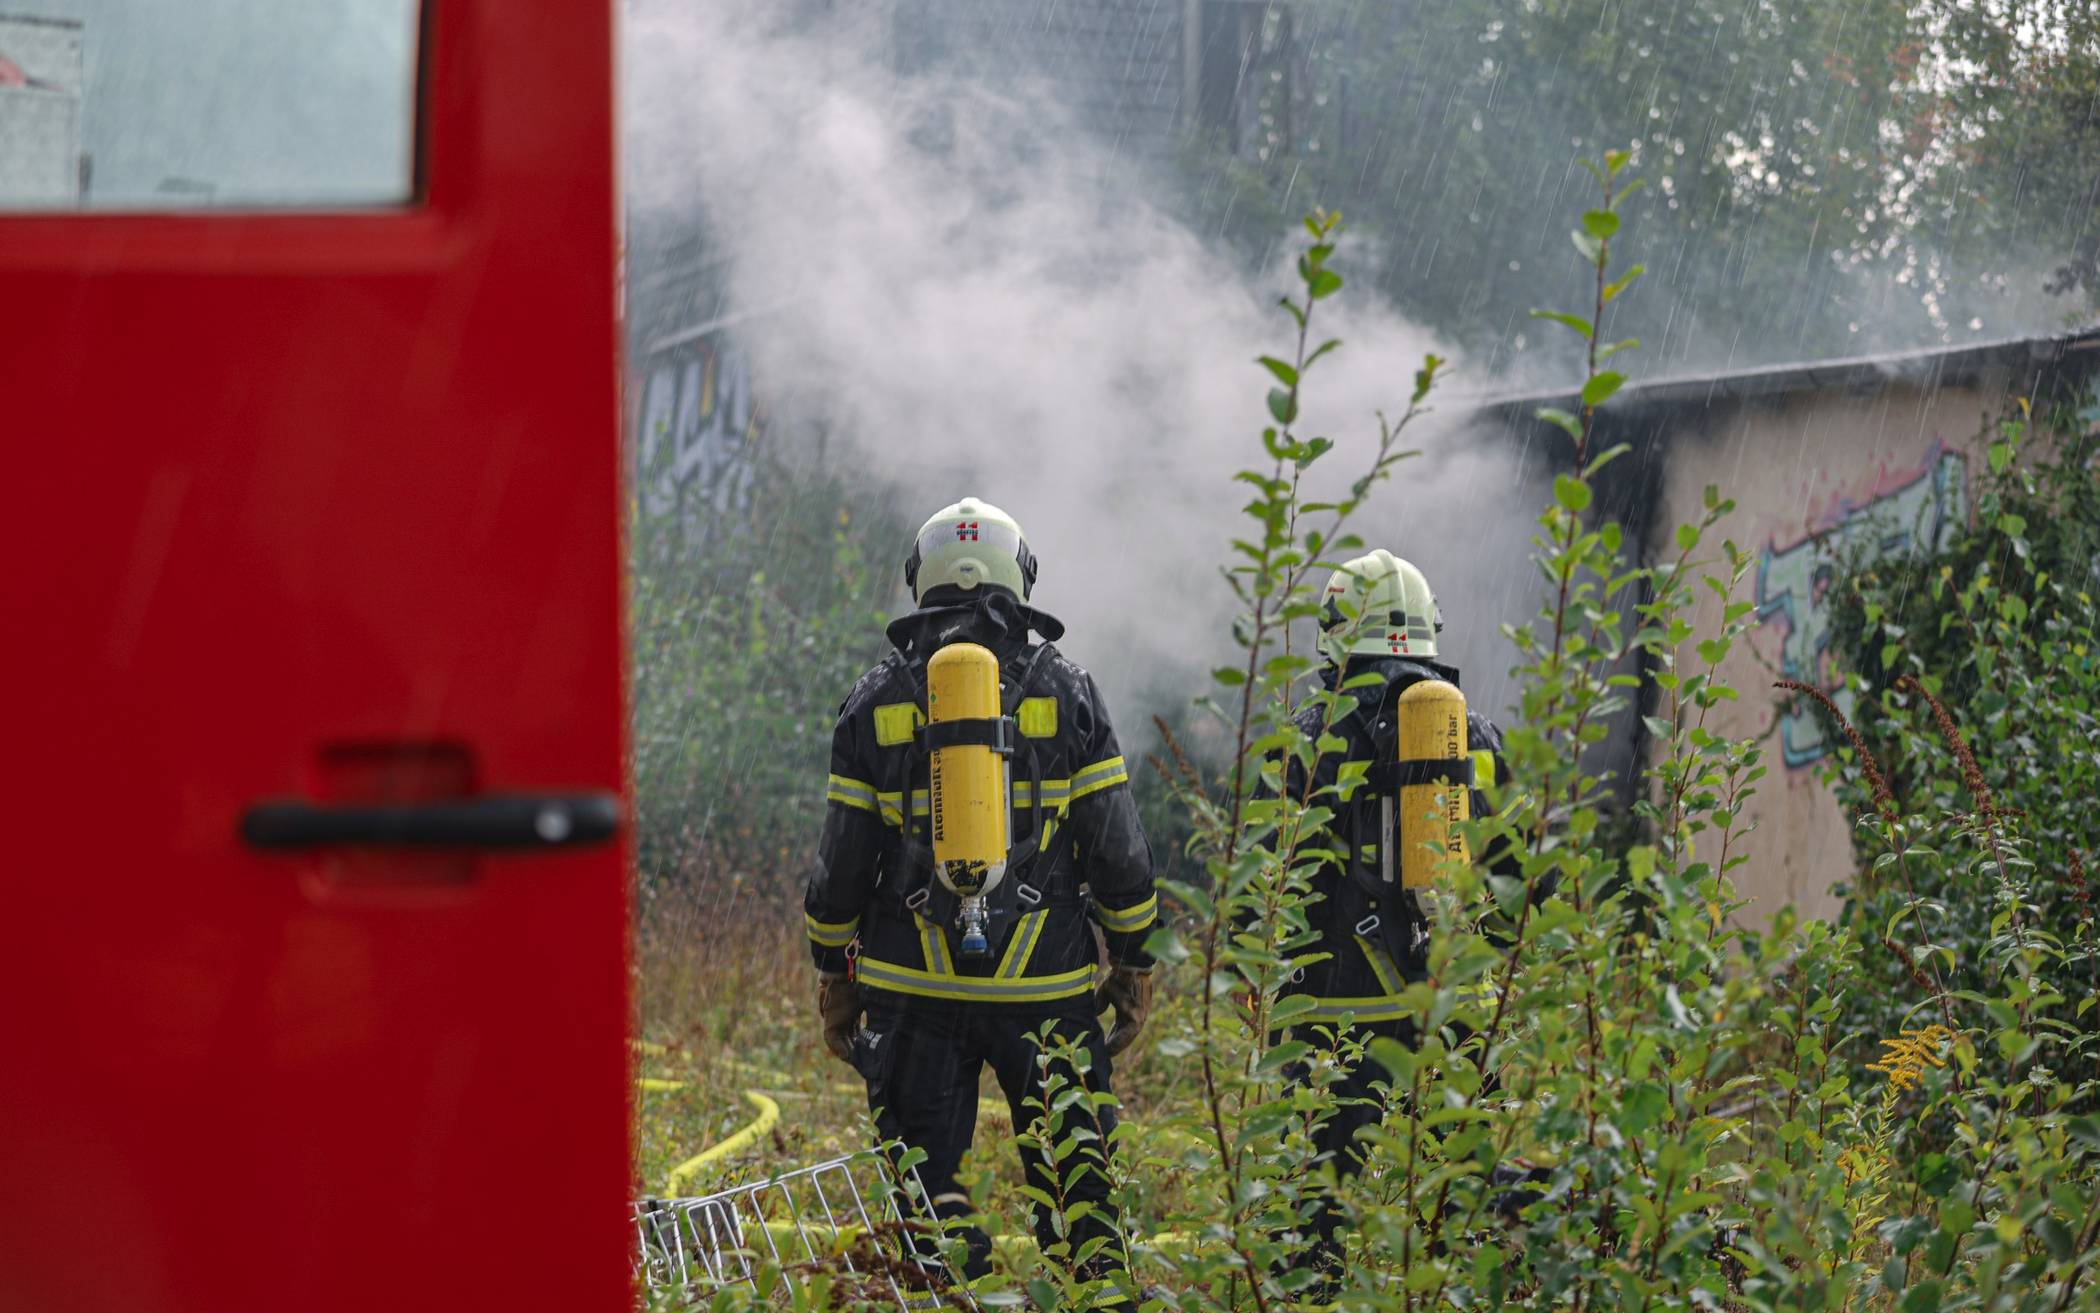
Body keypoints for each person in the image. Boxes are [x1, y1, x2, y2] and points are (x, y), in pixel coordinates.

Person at [803, 496, 1157, 1290]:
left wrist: (834, 969)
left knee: (927, 1211)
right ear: (1020, 578)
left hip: (911, 992)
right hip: (1049, 989)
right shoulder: (1067, 690)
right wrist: (1132, 963)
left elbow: (841, 866)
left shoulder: (876, 699)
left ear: (920, 581)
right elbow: (1119, 853)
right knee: (1081, 1204)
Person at [1272, 549, 1513, 1285]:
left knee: (1315, 1213)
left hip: (1335, 1016)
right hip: (1449, 1009)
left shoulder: (1307, 738)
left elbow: (1266, 880)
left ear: (1336, 635)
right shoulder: (1472, 734)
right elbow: (1515, 879)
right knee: (1465, 1204)